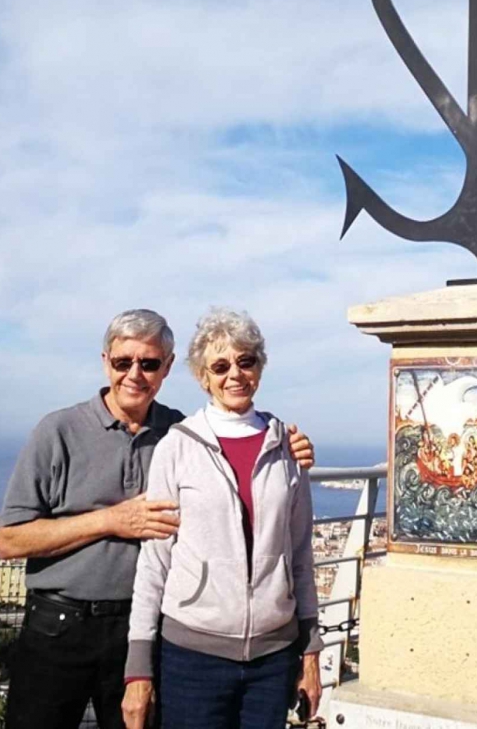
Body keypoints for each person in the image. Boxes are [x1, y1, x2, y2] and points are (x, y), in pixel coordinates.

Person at [0, 309, 316, 729]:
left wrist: (294, 447)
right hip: (60, 626)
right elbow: (9, 540)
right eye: (122, 362)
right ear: (106, 362)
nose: (135, 374)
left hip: (143, 628)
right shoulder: (59, 431)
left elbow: (241, 448)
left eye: (148, 363)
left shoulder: (179, 433)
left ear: (167, 367)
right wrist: (110, 520)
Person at [123, 308, 322, 729]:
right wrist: (138, 669)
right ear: (203, 377)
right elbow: (154, 562)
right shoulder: (178, 447)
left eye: (245, 361)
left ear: (259, 367)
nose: (235, 374)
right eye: (220, 366)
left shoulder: (286, 448)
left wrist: (310, 651)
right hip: (192, 656)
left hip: (273, 658)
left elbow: (301, 555)